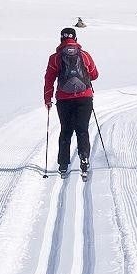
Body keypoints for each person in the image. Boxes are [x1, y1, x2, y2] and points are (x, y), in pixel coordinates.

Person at [44, 27, 99, 176]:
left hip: (64, 99)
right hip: (84, 98)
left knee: (66, 130)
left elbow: (49, 79)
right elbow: (94, 74)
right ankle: (84, 158)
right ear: (75, 38)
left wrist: (47, 99)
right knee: (82, 129)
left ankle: (63, 164)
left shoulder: (55, 58)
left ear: (61, 38)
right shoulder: (85, 55)